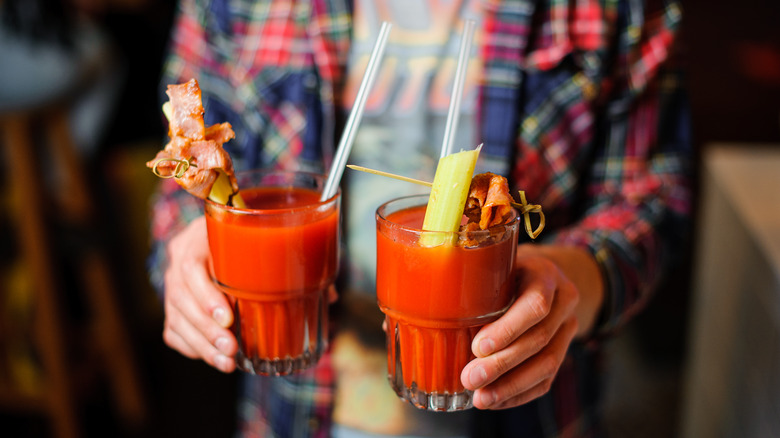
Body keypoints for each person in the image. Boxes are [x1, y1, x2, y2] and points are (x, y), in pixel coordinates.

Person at [147, 0, 692, 436]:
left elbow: (654, 198)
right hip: (290, 410)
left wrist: (573, 278)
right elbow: (180, 186)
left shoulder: (616, 8)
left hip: (533, 415)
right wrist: (184, 252)